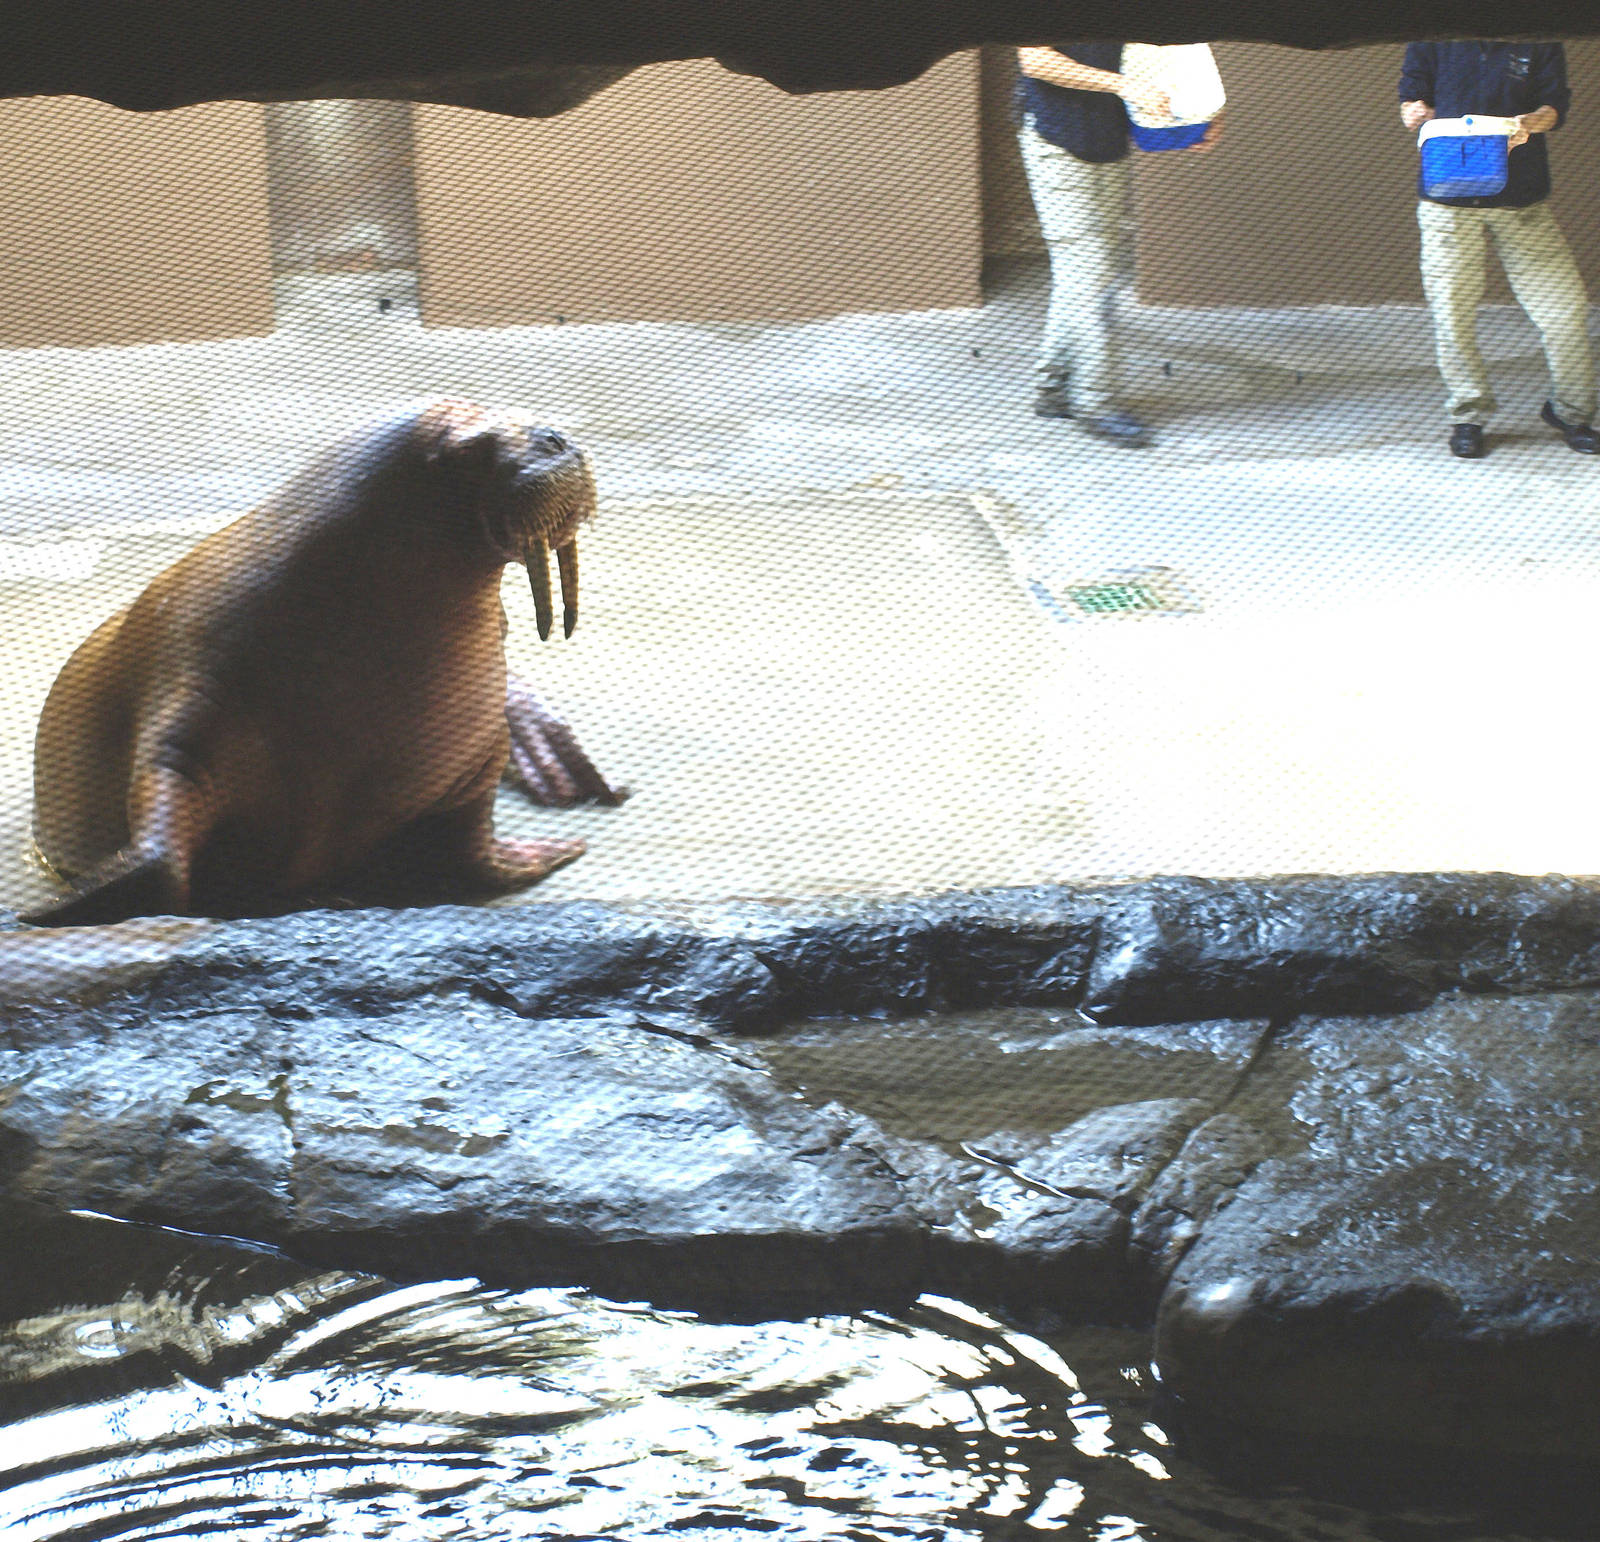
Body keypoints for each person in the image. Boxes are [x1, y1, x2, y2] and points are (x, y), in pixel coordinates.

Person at [1015, 43, 1222, 449]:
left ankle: (1054, 387)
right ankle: (1097, 403)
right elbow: (1036, 61)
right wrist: (1125, 86)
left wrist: (1208, 113)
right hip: (1054, 140)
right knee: (1092, 273)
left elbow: (1179, 51)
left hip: (1108, 142)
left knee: (1082, 272)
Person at [1400, 42, 1598, 459]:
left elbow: (1554, 104)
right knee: (1452, 312)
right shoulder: (1432, 31)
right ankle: (1468, 414)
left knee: (1565, 309)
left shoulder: (1539, 32)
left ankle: (1572, 413)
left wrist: (1533, 121)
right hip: (1447, 201)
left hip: (1521, 200)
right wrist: (1414, 110)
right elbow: (1411, 96)